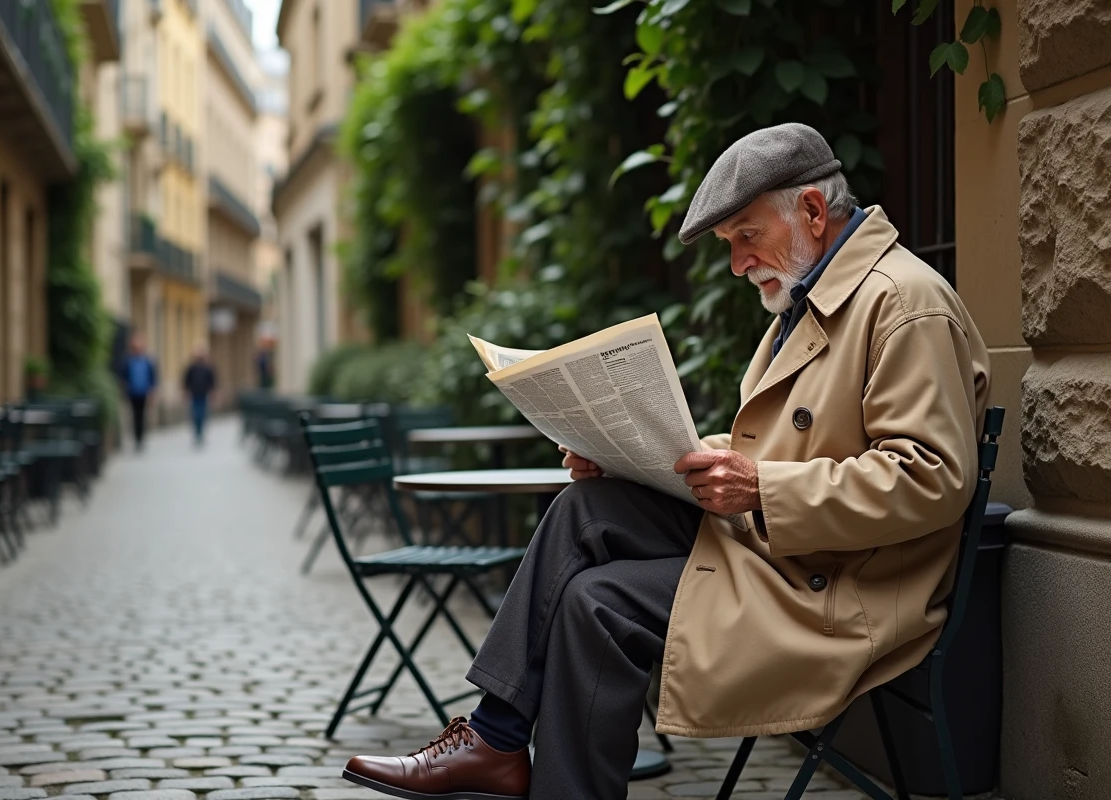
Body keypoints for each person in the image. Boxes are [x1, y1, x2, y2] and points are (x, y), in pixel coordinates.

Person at [342, 123, 992, 800]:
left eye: (747, 235)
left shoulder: (904, 303)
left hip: (842, 591)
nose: (739, 263)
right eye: (729, 246)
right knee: (585, 508)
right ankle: (497, 738)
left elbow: (932, 478)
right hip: (787, 553)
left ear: (811, 210)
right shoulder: (805, 303)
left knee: (597, 603)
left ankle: (520, 762)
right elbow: (801, 451)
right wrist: (646, 456)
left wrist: (761, 484)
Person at [119, 335, 158, 453]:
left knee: (141, 415)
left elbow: (153, 377)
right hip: (132, 392)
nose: (137, 349)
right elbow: (123, 377)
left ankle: (141, 438)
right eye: (135, 347)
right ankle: (137, 438)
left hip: (143, 392)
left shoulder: (147, 361)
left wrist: (152, 392)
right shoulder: (128, 361)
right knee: (135, 416)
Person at [183, 343, 217, 446]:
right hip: (194, 394)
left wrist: (213, 393)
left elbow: (212, 381)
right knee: (195, 414)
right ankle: (197, 433)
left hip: (203, 394)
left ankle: (200, 433)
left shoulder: (208, 368)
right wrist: (186, 392)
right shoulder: (191, 367)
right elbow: (186, 380)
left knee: (202, 414)